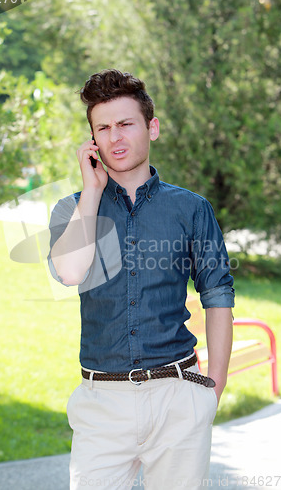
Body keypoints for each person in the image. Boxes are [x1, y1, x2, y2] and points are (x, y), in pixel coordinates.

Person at [48, 69, 235, 490]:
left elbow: (218, 295)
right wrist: (92, 192)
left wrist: (213, 390)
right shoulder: (74, 209)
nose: (115, 137)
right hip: (101, 403)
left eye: (126, 124)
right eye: (103, 128)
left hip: (177, 395)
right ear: (92, 139)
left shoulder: (191, 209)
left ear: (151, 127)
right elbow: (69, 272)